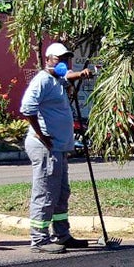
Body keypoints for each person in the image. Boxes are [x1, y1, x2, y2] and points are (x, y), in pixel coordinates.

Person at [20, 42, 93, 254]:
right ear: (48, 60)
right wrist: (41, 134)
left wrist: (80, 74)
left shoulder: (57, 80)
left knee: (61, 192)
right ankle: (39, 239)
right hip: (46, 146)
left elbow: (68, 75)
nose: (64, 63)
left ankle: (62, 234)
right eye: (59, 59)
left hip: (58, 147)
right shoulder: (42, 81)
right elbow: (27, 108)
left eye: (66, 59)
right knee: (45, 192)